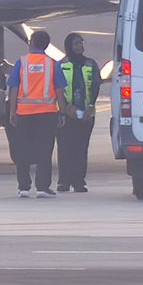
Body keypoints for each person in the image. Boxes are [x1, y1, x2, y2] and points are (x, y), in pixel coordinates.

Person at [7, 28, 68, 198]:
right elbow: (59, 90)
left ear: (31, 43)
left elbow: (13, 88)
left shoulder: (21, 62)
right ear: (47, 45)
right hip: (47, 113)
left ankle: (24, 187)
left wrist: (12, 111)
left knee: (22, 150)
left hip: (24, 112)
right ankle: (42, 187)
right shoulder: (52, 63)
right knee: (44, 150)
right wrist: (62, 112)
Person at [56, 31, 102, 193]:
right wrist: (67, 108)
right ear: (69, 46)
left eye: (81, 43)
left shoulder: (90, 64)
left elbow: (96, 85)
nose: (79, 46)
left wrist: (90, 106)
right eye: (76, 43)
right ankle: (64, 181)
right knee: (65, 148)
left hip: (86, 112)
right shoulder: (61, 65)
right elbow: (58, 89)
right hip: (66, 113)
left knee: (81, 149)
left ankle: (79, 181)